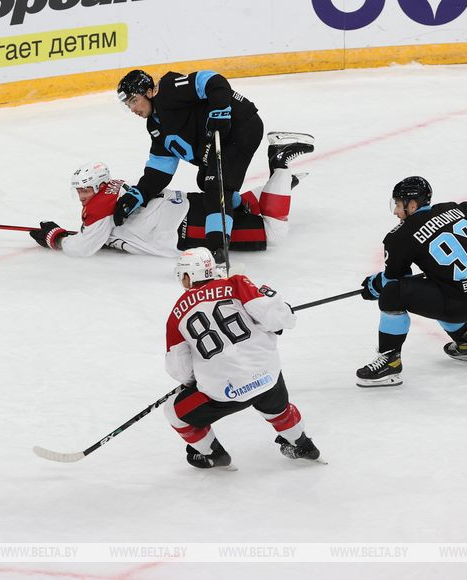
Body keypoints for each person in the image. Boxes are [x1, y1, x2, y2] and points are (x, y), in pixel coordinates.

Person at [113, 68, 314, 263]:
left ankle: (216, 251)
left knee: (216, 186)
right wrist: (139, 194)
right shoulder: (155, 126)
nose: (133, 109)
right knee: (205, 180)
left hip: (241, 126)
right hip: (220, 141)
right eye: (128, 105)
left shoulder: (168, 89)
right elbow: (160, 169)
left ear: (149, 92)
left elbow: (211, 79)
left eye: (134, 101)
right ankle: (246, 207)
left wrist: (221, 109)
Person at [161, 247, 320, 469]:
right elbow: (278, 319)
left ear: (188, 276)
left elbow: (179, 369)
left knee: (173, 411)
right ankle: (302, 445)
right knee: (274, 404)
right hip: (268, 376)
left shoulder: (176, 315)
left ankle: (213, 454)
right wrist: (283, 312)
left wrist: (193, 382)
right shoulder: (236, 283)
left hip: (224, 392)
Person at [356, 176, 467, 387]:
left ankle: (389, 362)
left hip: (459, 304)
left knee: (392, 294)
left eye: (398, 204)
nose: (395, 211)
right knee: (442, 285)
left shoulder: (400, 236)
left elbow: (395, 280)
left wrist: (374, 286)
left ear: (412, 205)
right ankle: (466, 345)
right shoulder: (456, 209)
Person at [29, 158, 306, 257]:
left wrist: (57, 238)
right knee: (240, 205)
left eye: (85, 189)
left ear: (99, 186)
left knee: (272, 234)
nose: (81, 196)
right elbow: (100, 234)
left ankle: (280, 169)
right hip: (188, 205)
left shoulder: (100, 205)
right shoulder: (114, 186)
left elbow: (82, 248)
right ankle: (275, 188)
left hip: (187, 229)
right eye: (79, 190)